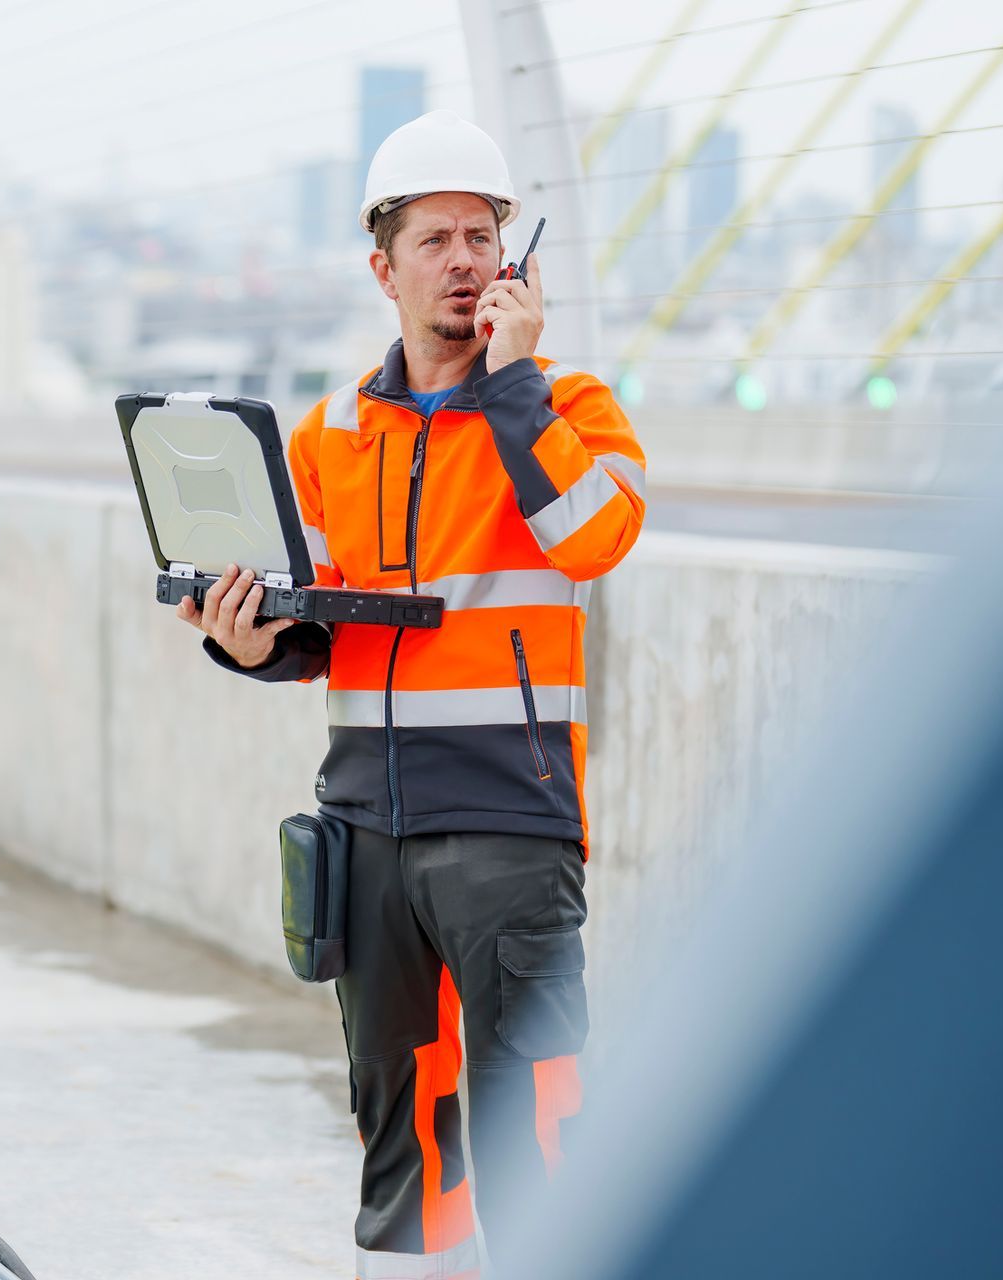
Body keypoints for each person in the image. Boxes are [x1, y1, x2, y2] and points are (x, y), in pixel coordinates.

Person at [177, 109, 646, 1278]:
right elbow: (319, 626)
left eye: (482, 235)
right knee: (399, 1135)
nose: (464, 259)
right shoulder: (335, 431)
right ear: (383, 267)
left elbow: (595, 537)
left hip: (508, 824)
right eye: (435, 239)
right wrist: (244, 638)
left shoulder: (569, 406)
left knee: (532, 1125)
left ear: (514, 258)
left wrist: (515, 384)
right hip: (366, 828)